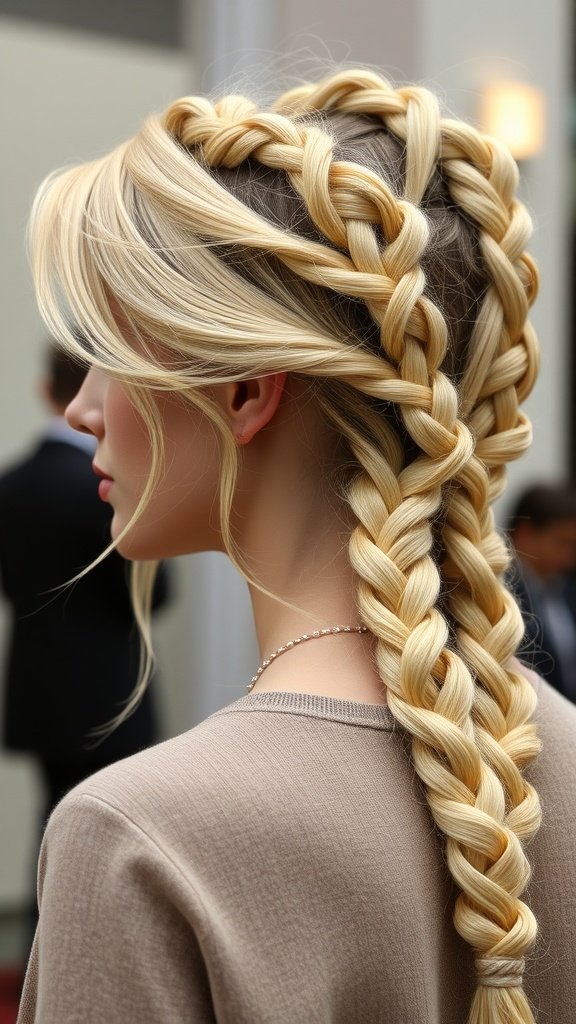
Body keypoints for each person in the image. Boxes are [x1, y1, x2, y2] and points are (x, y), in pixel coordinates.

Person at [15, 68, 576, 1024]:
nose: (83, 407)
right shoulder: (562, 753)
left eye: (112, 345)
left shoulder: (141, 839)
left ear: (244, 393)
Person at [0, 347, 167, 830]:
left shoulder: (10, 486)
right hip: (110, 691)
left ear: (45, 390)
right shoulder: (107, 491)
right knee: (112, 824)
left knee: (53, 818)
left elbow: (13, 586)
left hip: (39, 693)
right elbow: (154, 594)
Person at [508, 482, 576, 701]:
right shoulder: (500, 595)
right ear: (525, 534)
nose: (570, 555)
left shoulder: (566, 587)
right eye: (562, 543)